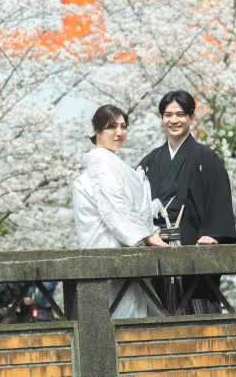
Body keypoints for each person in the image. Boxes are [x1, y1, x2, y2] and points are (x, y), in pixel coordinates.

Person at [139, 90, 236, 314]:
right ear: (162, 119)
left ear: (192, 118)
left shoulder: (207, 158)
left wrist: (213, 233)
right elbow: (136, 205)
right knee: (159, 315)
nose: (174, 120)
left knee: (199, 314)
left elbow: (219, 199)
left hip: (194, 245)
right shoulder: (149, 161)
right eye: (168, 115)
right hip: (157, 249)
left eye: (180, 114)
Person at [73, 104, 168, 319]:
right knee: (122, 321)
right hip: (113, 255)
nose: (119, 132)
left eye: (123, 126)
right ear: (97, 131)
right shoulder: (100, 162)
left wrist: (149, 230)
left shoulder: (111, 162)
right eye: (112, 127)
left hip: (124, 253)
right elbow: (115, 204)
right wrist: (144, 234)